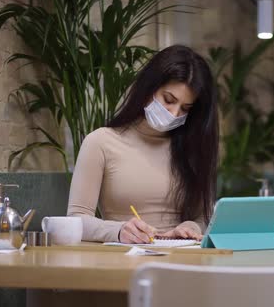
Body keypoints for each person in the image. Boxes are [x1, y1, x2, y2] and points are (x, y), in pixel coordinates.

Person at [67, 45, 219, 244]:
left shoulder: (192, 148)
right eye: (168, 100)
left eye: (185, 108)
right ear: (149, 88)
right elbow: (76, 219)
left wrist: (192, 226)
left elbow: (204, 217)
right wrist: (119, 231)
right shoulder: (100, 142)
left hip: (184, 258)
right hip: (124, 260)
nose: (174, 114)